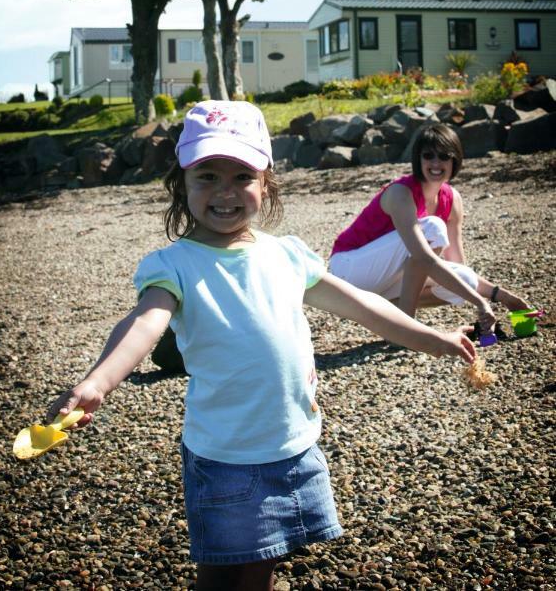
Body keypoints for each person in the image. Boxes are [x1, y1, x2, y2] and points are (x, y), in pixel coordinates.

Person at [46, 101, 476, 591]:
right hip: (227, 455)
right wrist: (99, 381)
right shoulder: (175, 265)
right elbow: (145, 323)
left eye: (242, 177)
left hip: (294, 443)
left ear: (265, 183)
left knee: (265, 561)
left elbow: (363, 306)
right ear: (180, 184)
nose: (225, 192)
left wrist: (433, 338)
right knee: (221, 571)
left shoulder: (286, 254)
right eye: (207, 176)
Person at [329, 123, 529, 333]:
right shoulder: (400, 193)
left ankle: (390, 314)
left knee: (465, 279)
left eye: (444, 156)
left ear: (455, 160)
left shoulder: (452, 200)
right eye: (428, 155)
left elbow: (458, 266)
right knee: (432, 229)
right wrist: (480, 302)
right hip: (348, 272)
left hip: (384, 278)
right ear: (418, 159)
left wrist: (503, 296)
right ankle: (404, 329)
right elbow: (424, 257)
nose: (436, 163)